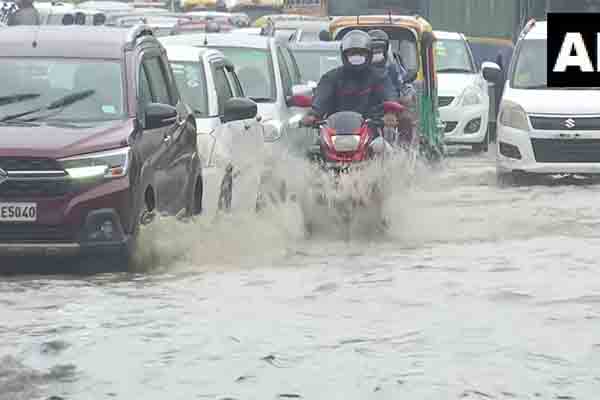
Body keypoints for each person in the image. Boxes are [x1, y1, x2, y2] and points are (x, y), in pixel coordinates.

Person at [302, 30, 385, 131]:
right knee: (312, 146)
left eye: (361, 53)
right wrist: (313, 114)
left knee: (380, 146)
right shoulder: (331, 77)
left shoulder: (379, 77)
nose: (356, 56)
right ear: (344, 55)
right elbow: (321, 97)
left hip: (370, 132)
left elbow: (389, 95)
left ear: (369, 55)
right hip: (334, 132)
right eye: (352, 53)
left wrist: (390, 113)